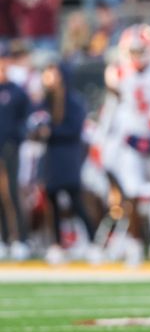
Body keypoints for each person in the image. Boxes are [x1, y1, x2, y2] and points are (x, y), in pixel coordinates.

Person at [103, 24, 150, 266]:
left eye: (139, 49)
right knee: (131, 195)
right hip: (131, 139)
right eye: (131, 50)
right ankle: (135, 245)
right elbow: (113, 109)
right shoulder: (118, 72)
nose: (135, 55)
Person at [30, 62, 97, 264]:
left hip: (68, 156)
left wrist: (51, 132)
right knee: (51, 201)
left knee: (76, 201)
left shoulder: (74, 101)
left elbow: (74, 129)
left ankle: (93, 243)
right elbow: (34, 122)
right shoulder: (45, 101)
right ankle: (56, 244)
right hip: (51, 156)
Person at [0, 44, 31, 260]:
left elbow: (26, 120)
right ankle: (3, 239)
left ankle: (21, 239)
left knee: (13, 192)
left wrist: (15, 140)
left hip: (10, 149)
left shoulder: (17, 91)